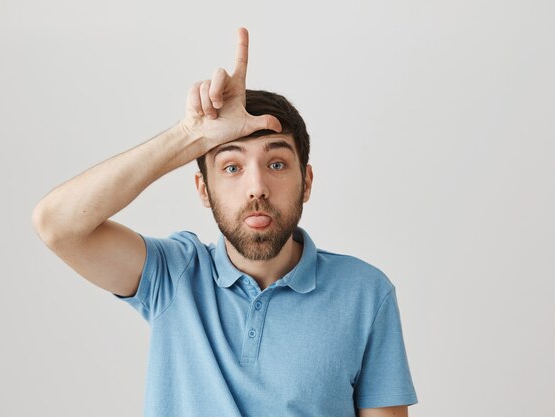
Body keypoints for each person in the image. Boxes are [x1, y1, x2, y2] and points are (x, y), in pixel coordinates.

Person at [32, 27, 418, 417]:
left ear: (307, 182)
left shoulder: (365, 293)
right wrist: (190, 136)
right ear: (203, 189)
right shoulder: (173, 275)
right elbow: (57, 224)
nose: (257, 187)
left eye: (277, 164)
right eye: (232, 166)